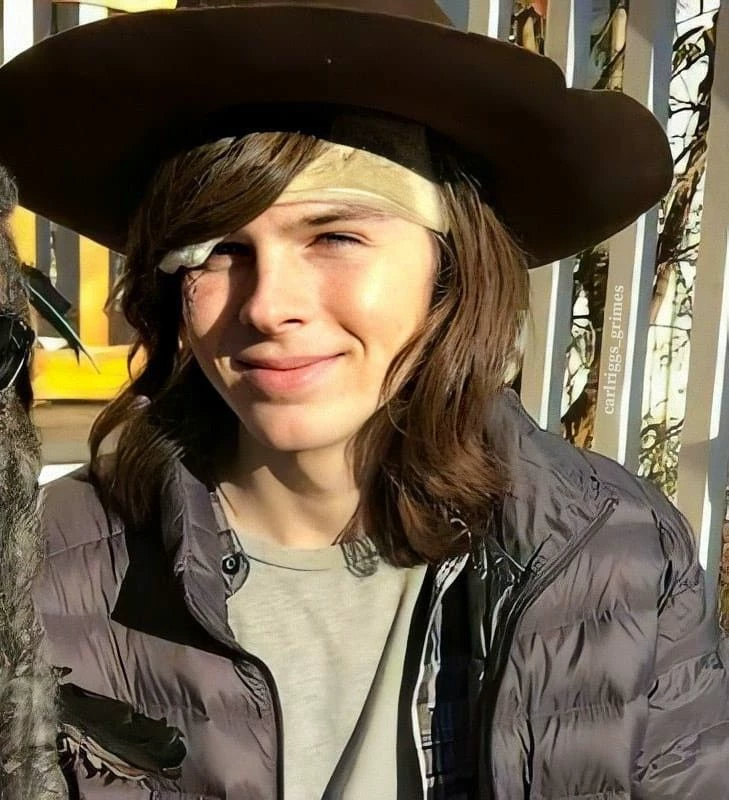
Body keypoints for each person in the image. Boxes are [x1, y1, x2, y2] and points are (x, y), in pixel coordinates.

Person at [0, 1, 725, 797]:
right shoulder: (40, 573)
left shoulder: (611, 554)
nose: (268, 306)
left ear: (451, 268)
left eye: (335, 237)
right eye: (220, 250)